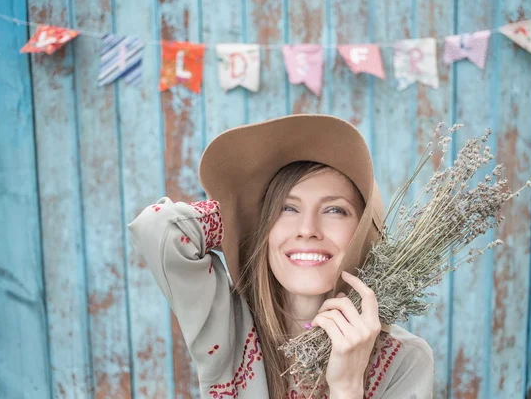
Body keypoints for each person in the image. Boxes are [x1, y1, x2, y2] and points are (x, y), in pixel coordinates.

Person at [128, 114, 434, 399]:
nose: (306, 229)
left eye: (334, 210)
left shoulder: (404, 359)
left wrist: (347, 385)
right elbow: (159, 228)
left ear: (363, 232)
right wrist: (243, 223)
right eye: (287, 208)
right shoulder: (229, 325)